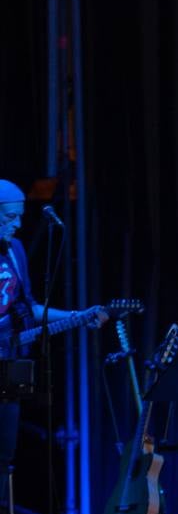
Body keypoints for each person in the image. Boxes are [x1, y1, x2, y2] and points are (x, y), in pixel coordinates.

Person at [1, 179, 107, 495]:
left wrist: (78, 316)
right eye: (10, 218)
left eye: (20, 217)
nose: (18, 225)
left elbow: (29, 308)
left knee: (5, 457)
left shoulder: (15, 251)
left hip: (7, 369)